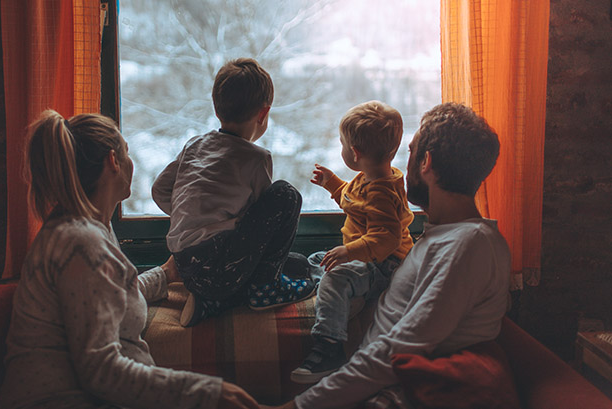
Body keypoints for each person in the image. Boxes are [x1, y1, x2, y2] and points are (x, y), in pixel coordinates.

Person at [0, 110, 259, 409]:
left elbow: (107, 299)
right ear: (113, 161)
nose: (130, 163)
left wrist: (164, 274)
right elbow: (101, 370)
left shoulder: (90, 229)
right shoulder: (81, 243)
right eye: (127, 153)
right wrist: (208, 393)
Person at [265, 102, 511, 409]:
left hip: (395, 394)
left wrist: (297, 406)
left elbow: (398, 350)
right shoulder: (440, 238)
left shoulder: (469, 244)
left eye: (408, 152)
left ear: (427, 162)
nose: (397, 165)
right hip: (371, 387)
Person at [152, 58, 316, 328]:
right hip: (221, 266)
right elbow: (263, 225)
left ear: (217, 110)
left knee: (297, 264)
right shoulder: (257, 158)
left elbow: (159, 190)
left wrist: (192, 214)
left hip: (186, 267)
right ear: (263, 114)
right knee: (287, 194)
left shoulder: (195, 145)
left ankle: (211, 302)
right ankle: (266, 290)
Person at [290, 101, 415, 384]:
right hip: (367, 258)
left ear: (355, 153)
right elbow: (356, 201)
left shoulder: (382, 191)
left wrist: (349, 251)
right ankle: (345, 296)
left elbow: (386, 237)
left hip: (383, 265)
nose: (342, 150)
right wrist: (333, 183)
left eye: (342, 145)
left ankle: (329, 347)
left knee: (335, 278)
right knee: (317, 260)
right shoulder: (373, 177)